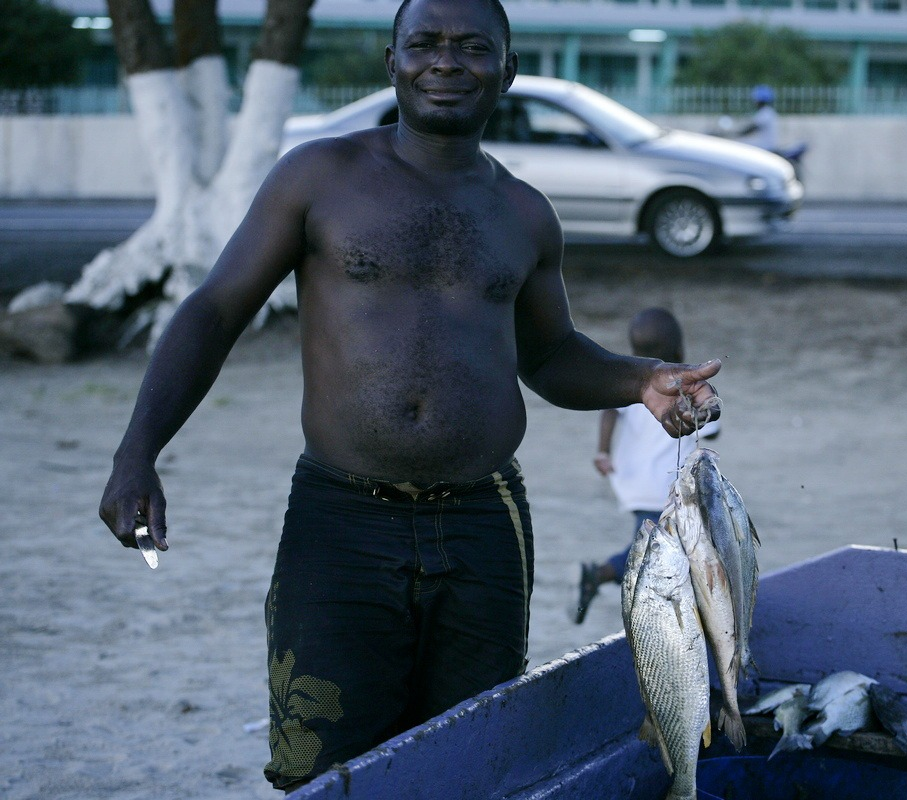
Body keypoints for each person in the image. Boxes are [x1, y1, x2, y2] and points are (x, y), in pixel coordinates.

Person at [95, 0, 720, 791]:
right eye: (424, 44)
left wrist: (639, 379)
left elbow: (552, 354)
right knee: (320, 768)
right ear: (391, 63)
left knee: (470, 761)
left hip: (482, 525)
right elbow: (216, 309)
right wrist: (136, 452)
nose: (446, 62)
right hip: (341, 520)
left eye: (472, 48)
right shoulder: (320, 177)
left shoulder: (524, 213)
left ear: (509, 71)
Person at [573, 307, 719, 624]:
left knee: (657, 546)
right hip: (666, 489)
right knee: (665, 550)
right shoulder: (683, 393)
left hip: (633, 483)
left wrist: (602, 452)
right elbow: (712, 428)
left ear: (634, 353)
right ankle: (602, 576)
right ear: (681, 352)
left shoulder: (630, 387)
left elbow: (609, 410)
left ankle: (623, 586)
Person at [737, 84, 779, 153]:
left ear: (759, 100)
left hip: (766, 148)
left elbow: (753, 127)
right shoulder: (768, 112)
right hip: (765, 146)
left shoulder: (765, 113)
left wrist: (739, 133)